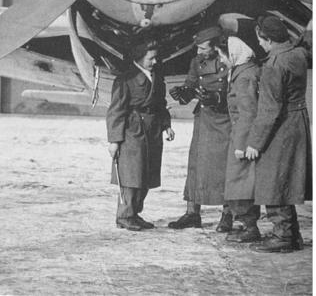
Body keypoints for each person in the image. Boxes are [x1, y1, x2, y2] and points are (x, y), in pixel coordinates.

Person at [244, 15, 312, 253]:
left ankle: (282, 236)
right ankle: (292, 235)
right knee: (287, 178)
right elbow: (307, 43)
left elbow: (269, 109)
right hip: (297, 122)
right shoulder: (298, 54)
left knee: (273, 179)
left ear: (269, 39)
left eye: (261, 41)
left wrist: (255, 142)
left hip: (280, 127)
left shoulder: (274, 65)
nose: (260, 45)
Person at [168, 26, 232, 231]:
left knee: (223, 167)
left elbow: (237, 92)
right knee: (195, 164)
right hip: (203, 118)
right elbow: (191, 85)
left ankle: (228, 214)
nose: (198, 52)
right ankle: (192, 213)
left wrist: (218, 98)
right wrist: (183, 93)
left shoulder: (229, 62)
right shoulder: (197, 62)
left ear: (216, 46)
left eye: (203, 48)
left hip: (224, 120)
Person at [106, 41, 175, 231]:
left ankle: (135, 213)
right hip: (132, 132)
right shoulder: (125, 79)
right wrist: (114, 140)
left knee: (145, 175)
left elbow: (160, 103)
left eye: (155, 57)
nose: (155, 61)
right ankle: (124, 215)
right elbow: (116, 112)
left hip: (152, 131)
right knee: (131, 175)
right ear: (139, 57)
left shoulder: (156, 77)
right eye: (151, 58)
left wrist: (166, 125)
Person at [215, 36, 262, 243]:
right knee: (240, 181)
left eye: (221, 55)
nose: (221, 60)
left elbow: (248, 112)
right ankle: (246, 224)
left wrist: (241, 145)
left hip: (242, 136)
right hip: (240, 133)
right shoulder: (243, 70)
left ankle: (249, 226)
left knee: (240, 181)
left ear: (231, 54)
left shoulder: (244, 76)